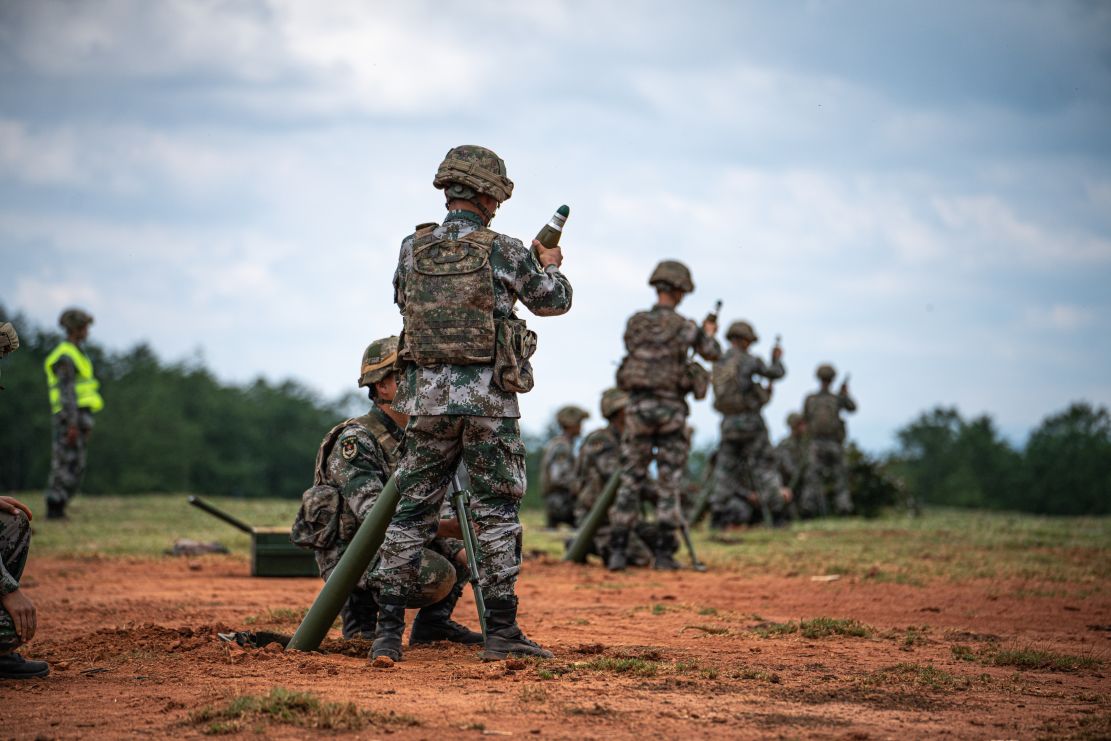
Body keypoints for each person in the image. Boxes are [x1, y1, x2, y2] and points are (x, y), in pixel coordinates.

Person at [370, 145, 572, 663]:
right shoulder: (503, 249)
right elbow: (552, 301)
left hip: (427, 402)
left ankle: (386, 635)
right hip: (489, 404)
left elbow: (404, 303)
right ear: (487, 194)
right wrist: (550, 265)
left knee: (410, 511)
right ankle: (501, 633)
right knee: (496, 512)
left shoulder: (410, 249)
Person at [291, 336, 480, 646]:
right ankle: (360, 616)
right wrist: (446, 529)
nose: (424, 383)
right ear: (383, 387)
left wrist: (463, 544)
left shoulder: (419, 440)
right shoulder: (357, 441)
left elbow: (434, 507)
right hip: (354, 555)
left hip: (400, 539)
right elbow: (373, 518)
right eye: (409, 374)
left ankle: (434, 625)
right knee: (438, 571)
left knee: (473, 547)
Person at [608, 260, 720, 571]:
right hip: (670, 412)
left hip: (638, 409)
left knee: (631, 478)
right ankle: (664, 555)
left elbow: (634, 349)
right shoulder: (686, 326)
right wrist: (708, 332)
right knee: (669, 481)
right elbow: (712, 352)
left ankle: (617, 551)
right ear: (681, 291)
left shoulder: (636, 322)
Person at [708, 321, 791, 528]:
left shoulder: (720, 361)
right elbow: (775, 373)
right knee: (764, 466)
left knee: (724, 470)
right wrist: (777, 359)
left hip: (728, 423)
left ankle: (717, 515)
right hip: (751, 422)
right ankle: (778, 514)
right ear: (744, 340)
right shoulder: (749, 360)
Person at [572, 388, 653, 566]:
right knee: (641, 559)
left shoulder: (627, 440)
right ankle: (588, 543)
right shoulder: (601, 440)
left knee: (662, 540)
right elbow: (615, 476)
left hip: (623, 515)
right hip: (598, 517)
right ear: (618, 412)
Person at [43, 308, 103, 520]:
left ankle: (60, 505)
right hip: (69, 416)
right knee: (64, 462)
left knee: (76, 464)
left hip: (80, 416)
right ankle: (54, 507)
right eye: (85, 326)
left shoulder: (78, 352)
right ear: (76, 328)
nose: (88, 331)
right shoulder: (66, 356)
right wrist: (71, 423)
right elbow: (66, 391)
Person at [800, 364, 857, 516]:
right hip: (827, 443)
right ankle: (840, 507)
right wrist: (845, 396)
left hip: (821, 443)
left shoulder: (812, 399)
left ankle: (811, 508)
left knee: (819, 476)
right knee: (834, 477)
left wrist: (845, 395)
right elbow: (852, 408)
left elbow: (852, 408)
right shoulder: (834, 399)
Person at [539, 405, 589, 529]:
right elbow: (559, 478)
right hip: (560, 502)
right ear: (571, 424)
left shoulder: (562, 444)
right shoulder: (562, 447)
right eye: (579, 423)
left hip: (557, 501)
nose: (581, 427)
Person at [775, 412, 809, 504]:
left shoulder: (806, 444)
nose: (804, 427)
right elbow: (788, 468)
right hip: (787, 483)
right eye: (800, 424)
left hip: (802, 481)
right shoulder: (785, 445)